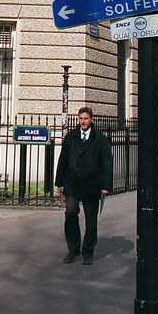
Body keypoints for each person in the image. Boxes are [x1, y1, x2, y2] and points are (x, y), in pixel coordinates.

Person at [55, 106, 112, 265]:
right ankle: (73, 249)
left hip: (92, 184)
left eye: (86, 119)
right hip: (72, 183)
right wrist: (59, 182)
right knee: (71, 214)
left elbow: (107, 164)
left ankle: (88, 252)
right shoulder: (71, 137)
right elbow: (63, 160)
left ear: (91, 120)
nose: (83, 122)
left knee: (90, 219)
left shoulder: (100, 138)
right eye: (81, 119)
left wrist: (106, 186)